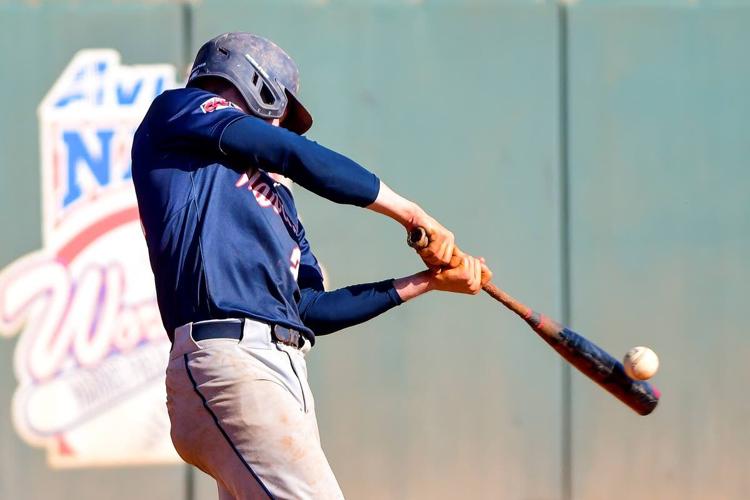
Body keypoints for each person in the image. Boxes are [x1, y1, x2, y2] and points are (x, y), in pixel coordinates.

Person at [132, 32, 491, 500]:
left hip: (282, 374)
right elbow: (295, 154)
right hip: (231, 364)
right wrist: (413, 214)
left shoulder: (278, 204)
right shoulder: (179, 112)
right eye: (282, 111)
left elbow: (307, 310)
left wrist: (427, 282)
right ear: (259, 87)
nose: (283, 124)